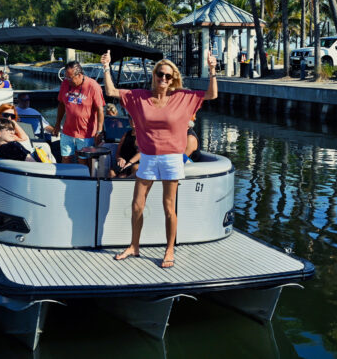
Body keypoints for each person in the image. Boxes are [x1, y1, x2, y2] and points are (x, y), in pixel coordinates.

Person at [101, 49, 218, 268]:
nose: (163, 79)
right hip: (148, 157)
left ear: (173, 79)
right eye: (160, 74)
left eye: (168, 76)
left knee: (168, 207)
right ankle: (134, 246)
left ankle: (169, 250)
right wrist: (106, 67)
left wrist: (212, 70)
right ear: (154, 75)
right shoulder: (139, 97)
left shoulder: (183, 97)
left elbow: (212, 95)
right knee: (137, 205)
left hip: (172, 158)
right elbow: (111, 90)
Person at [53, 61, 105, 164]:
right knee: (65, 158)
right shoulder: (65, 83)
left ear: (80, 75)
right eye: (66, 77)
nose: (67, 80)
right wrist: (57, 124)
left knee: (83, 161)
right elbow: (61, 104)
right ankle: (67, 178)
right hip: (67, 131)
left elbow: (100, 110)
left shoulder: (93, 86)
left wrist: (99, 131)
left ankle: (84, 179)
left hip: (86, 133)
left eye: (70, 77)